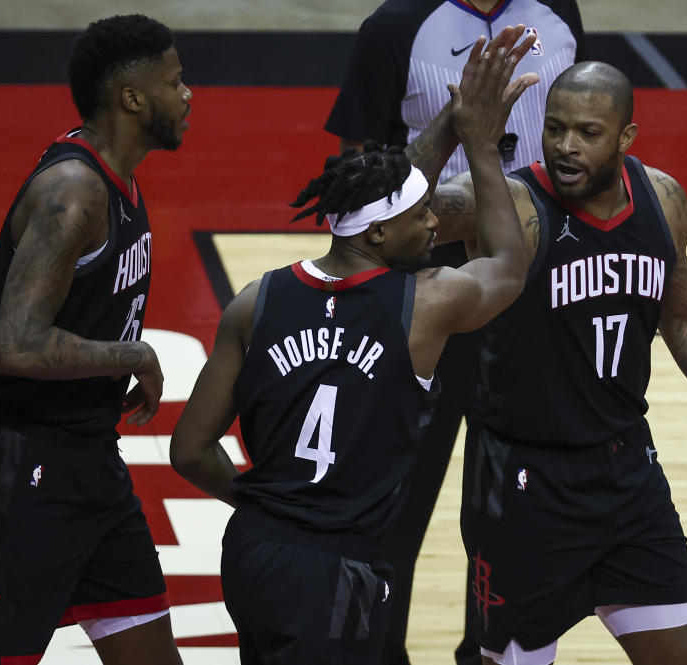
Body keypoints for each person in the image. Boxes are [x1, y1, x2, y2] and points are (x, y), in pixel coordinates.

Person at [170, 27, 538, 665]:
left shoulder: (256, 301)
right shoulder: (423, 303)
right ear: (375, 235)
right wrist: (477, 141)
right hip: (341, 563)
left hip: (256, 550)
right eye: (418, 215)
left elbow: (190, 450)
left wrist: (267, 506)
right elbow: (508, 266)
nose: (434, 223)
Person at [431, 61, 687, 665]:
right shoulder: (511, 206)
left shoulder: (662, 199)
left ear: (626, 137)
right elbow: (389, 214)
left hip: (627, 477)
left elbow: (685, 319)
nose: (566, 146)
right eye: (554, 128)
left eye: (587, 132)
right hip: (524, 487)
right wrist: (458, 127)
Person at [0, 14, 191, 665]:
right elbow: (12, 344)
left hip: (88, 460)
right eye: (175, 80)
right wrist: (133, 352)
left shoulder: (118, 177)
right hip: (17, 470)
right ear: (132, 98)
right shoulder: (74, 193)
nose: (189, 95)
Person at [326, 4, 586, 663]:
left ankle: (493, 648)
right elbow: (351, 187)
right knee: (399, 486)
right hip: (429, 277)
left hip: (539, 273)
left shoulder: (558, 10)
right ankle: (378, 648)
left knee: (515, 487)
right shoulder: (395, 26)